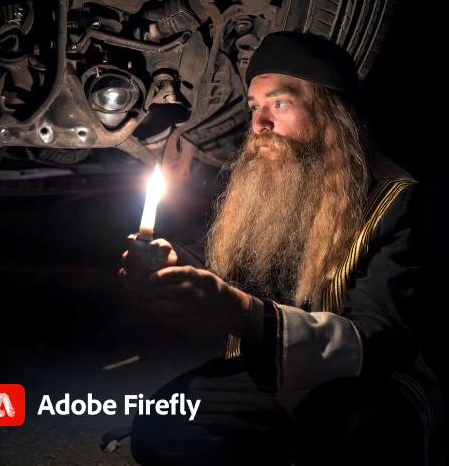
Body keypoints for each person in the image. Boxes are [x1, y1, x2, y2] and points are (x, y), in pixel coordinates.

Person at [119, 31, 445, 466]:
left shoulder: (396, 199)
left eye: (280, 103)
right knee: (160, 426)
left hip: (368, 379)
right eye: (254, 106)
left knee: (353, 433)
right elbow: (216, 261)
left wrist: (250, 317)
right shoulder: (264, 180)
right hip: (267, 375)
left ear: (328, 111)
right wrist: (169, 264)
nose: (259, 124)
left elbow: (378, 338)